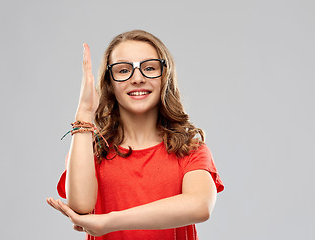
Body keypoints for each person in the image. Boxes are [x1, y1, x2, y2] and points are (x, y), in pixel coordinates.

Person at [47, 29, 224, 240]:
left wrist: (109, 222)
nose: (137, 78)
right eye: (123, 70)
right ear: (109, 82)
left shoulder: (190, 150)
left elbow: (200, 205)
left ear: (164, 77)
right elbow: (81, 207)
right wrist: (84, 112)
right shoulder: (90, 150)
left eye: (149, 68)